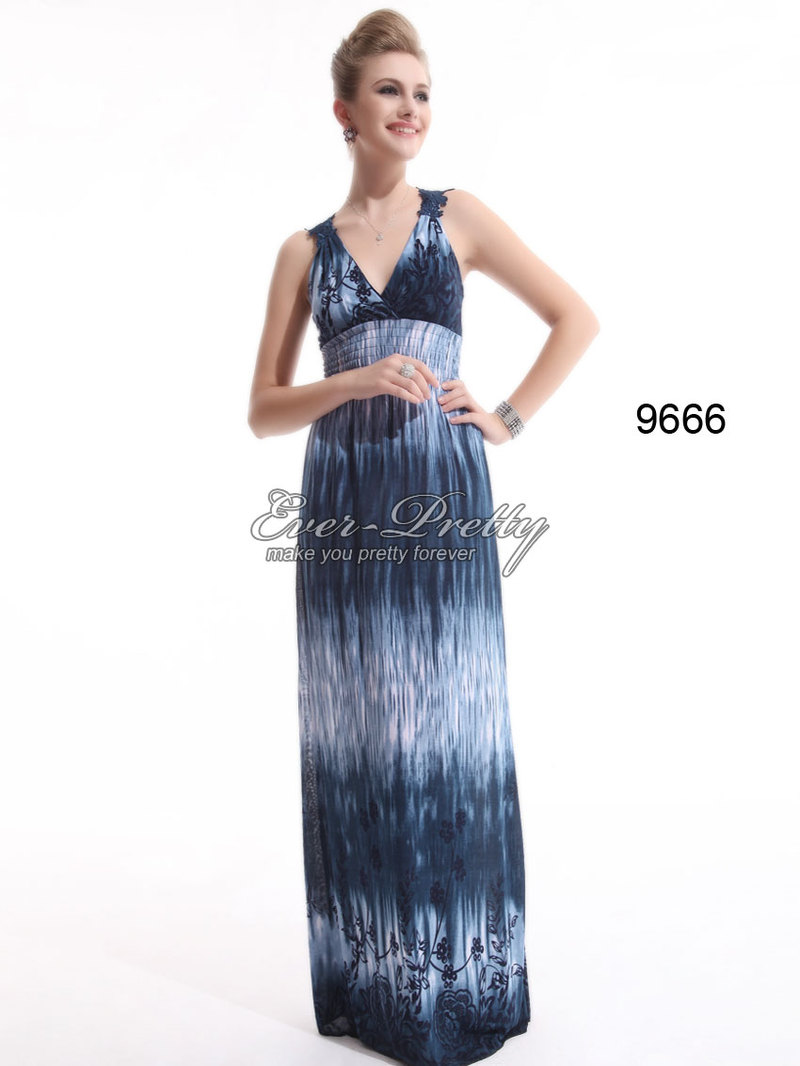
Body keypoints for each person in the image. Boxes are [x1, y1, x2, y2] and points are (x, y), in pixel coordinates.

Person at [247, 10, 599, 1066]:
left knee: (449, 725)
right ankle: (379, 983)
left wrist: (506, 417)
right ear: (345, 112)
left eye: (423, 92)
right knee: (363, 725)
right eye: (390, 90)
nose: (411, 108)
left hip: (441, 490)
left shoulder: (460, 219)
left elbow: (574, 318)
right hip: (347, 496)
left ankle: (459, 978)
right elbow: (261, 409)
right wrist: (351, 378)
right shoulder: (303, 252)